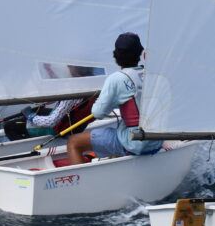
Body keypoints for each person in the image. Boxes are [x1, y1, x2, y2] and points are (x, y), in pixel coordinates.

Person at [66, 32, 162, 165]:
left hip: (134, 143)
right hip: (156, 141)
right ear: (139, 53)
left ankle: (82, 183)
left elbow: (98, 113)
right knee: (114, 133)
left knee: (74, 142)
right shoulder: (152, 75)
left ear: (115, 55)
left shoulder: (117, 78)